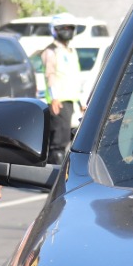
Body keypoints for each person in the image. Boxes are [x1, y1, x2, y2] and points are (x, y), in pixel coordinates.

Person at [40, 13, 84, 163]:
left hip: (70, 101)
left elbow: (73, 79)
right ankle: (52, 177)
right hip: (58, 102)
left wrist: (80, 102)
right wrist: (53, 99)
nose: (66, 31)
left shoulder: (71, 51)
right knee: (58, 142)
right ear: (54, 30)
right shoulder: (51, 51)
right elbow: (50, 75)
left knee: (66, 139)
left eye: (69, 28)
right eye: (62, 28)